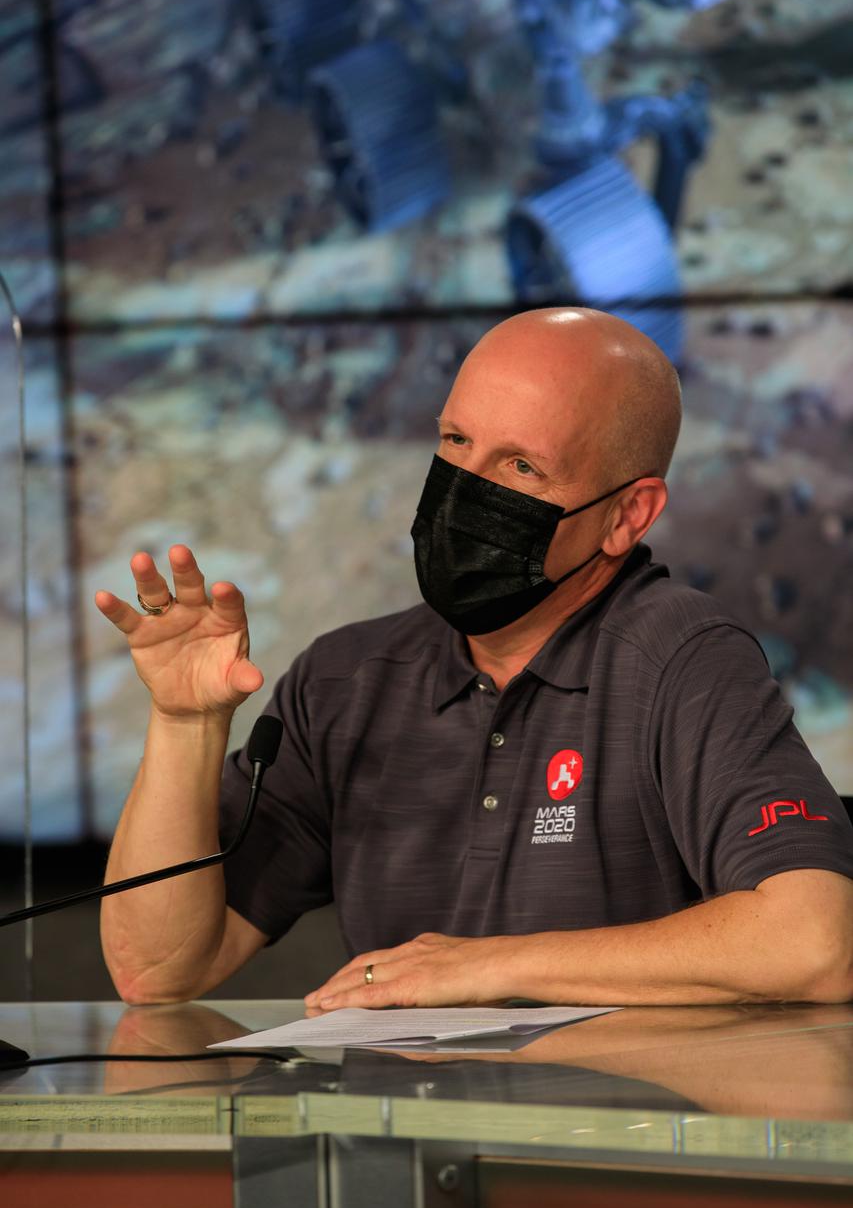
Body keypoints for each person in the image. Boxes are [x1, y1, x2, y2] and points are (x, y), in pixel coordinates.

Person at [96, 307, 853, 1009]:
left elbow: (813, 944)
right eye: (455, 443)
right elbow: (159, 971)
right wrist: (182, 724)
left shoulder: (678, 659)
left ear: (627, 515)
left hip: (610, 1144)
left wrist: (488, 966)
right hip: (396, 1143)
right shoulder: (347, 680)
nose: (464, 492)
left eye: (520, 467)